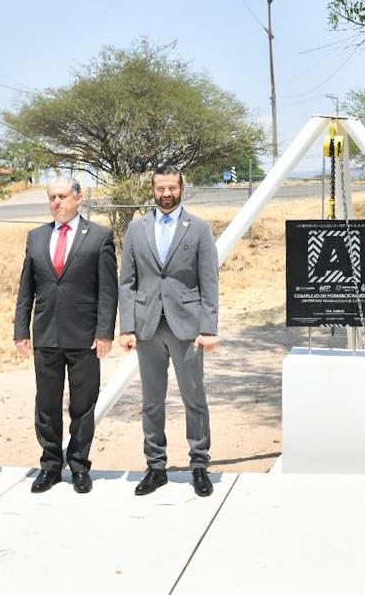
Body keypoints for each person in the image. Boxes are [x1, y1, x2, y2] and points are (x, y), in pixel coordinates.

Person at [119, 165, 220, 497]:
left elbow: (209, 281)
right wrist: (127, 326)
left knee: (194, 397)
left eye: (171, 188)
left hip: (187, 327)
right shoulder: (136, 229)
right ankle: (155, 467)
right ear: (153, 189)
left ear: (181, 188)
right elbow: (127, 282)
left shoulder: (199, 228)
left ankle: (199, 464)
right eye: (160, 188)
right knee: (152, 401)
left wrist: (208, 328)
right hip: (147, 327)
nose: (166, 194)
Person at [14, 178, 117, 495]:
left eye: (62, 196)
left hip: (84, 337)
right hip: (46, 334)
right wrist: (21, 330)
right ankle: (50, 466)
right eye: (52, 197)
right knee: (46, 405)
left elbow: (108, 291)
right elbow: (26, 289)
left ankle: (79, 466)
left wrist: (104, 332)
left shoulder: (99, 236)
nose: (57, 202)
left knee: (83, 406)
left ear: (78, 198)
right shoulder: (36, 237)